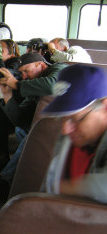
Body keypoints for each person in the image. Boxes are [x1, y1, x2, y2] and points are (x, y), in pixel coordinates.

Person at [0, 53, 67, 199]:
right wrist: (7, 95)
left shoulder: (60, 68)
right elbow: (20, 119)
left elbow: (53, 86)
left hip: (65, 123)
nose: (24, 76)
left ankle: (5, 181)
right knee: (18, 125)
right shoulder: (34, 85)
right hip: (42, 125)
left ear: (41, 65)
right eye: (21, 74)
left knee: (31, 138)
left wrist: (17, 84)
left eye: (26, 71)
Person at [42, 64, 107, 202]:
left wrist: (67, 188)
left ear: (105, 108)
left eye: (76, 119)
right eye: (62, 119)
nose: (65, 130)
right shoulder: (69, 139)